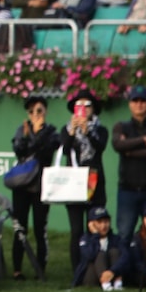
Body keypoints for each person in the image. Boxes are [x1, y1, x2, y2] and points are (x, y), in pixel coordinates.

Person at [10, 96, 61, 280]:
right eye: (31, 111)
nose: (35, 114)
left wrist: (38, 134)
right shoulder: (22, 129)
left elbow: (46, 151)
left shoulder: (52, 132)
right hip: (22, 186)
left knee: (40, 229)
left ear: (45, 111)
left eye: (39, 110)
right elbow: (19, 150)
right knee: (19, 228)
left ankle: (41, 270)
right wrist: (27, 136)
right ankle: (17, 270)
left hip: (41, 187)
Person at [61, 91, 109, 272]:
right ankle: (77, 271)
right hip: (73, 184)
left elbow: (100, 146)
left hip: (94, 183)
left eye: (87, 106)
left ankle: (95, 268)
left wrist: (87, 131)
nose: (83, 110)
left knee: (94, 227)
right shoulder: (66, 129)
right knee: (76, 230)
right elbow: (64, 148)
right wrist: (73, 132)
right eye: (79, 106)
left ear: (93, 109)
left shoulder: (100, 129)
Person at [111, 85, 146, 248]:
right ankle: (122, 273)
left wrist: (130, 151)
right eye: (135, 101)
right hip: (127, 191)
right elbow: (118, 145)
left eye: (143, 101)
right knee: (124, 235)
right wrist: (144, 141)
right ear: (130, 104)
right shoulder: (121, 126)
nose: (139, 104)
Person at [72, 206, 129, 290]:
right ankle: (106, 285)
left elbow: (125, 256)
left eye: (106, 222)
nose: (103, 225)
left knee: (115, 252)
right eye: (99, 222)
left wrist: (113, 271)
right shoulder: (85, 239)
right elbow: (89, 255)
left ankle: (117, 284)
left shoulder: (115, 238)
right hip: (91, 276)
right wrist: (95, 236)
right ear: (91, 224)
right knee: (100, 254)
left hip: (112, 274)